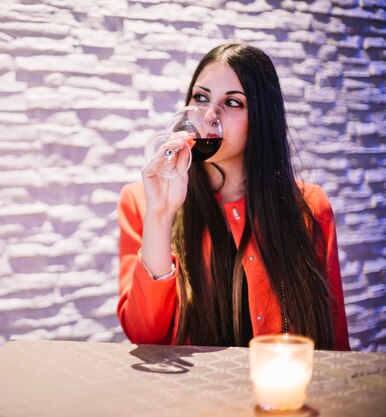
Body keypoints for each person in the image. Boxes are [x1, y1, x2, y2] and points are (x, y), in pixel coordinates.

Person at [117, 43, 351, 350]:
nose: (209, 115)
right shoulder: (142, 200)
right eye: (201, 97)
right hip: (185, 394)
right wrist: (160, 216)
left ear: (261, 119)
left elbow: (332, 341)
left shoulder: (307, 206)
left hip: (277, 394)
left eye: (233, 103)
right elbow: (145, 335)